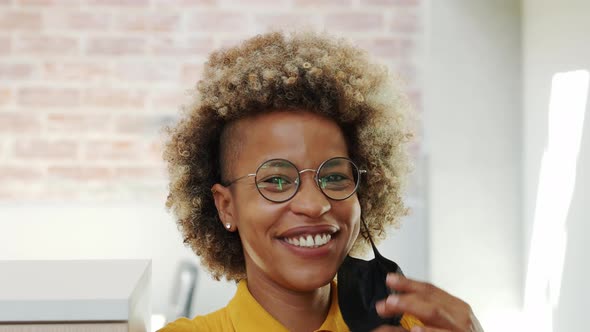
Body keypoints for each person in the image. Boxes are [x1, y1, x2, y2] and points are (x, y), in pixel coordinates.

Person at [160, 31, 483, 332]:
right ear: (226, 207)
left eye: (334, 177)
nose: (315, 204)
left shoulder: (417, 325)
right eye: (276, 180)